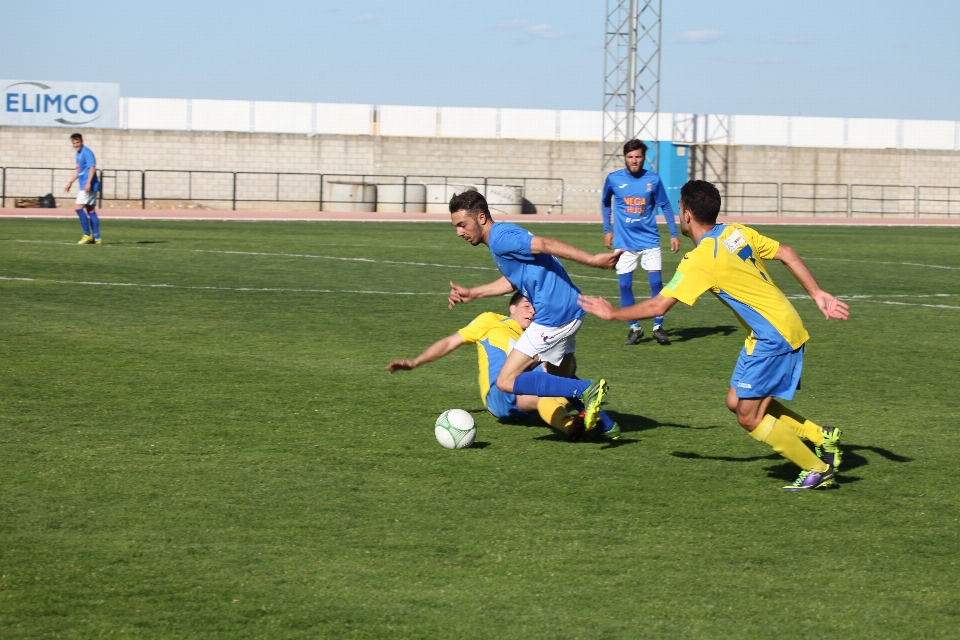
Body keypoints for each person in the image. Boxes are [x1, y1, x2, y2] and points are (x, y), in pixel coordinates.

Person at [579, 180, 850, 491]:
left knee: (749, 418)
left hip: (773, 337)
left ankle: (817, 469)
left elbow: (659, 304)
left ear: (688, 215)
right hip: (769, 331)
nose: (680, 216)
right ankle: (820, 436)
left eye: (680, 210)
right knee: (736, 401)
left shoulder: (701, 259)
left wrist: (613, 313)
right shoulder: (735, 231)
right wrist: (816, 293)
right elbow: (786, 252)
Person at [447, 190, 620, 434]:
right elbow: (513, 280)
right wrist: (474, 293)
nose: (459, 232)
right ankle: (608, 426)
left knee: (506, 381)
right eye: (456, 226)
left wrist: (594, 261)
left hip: (553, 314)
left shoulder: (500, 239)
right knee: (561, 380)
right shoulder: (501, 236)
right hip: (571, 308)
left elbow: (545, 244)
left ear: (482, 218)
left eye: (463, 225)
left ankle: (587, 390)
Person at [387, 292, 620, 440]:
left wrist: (564, 343)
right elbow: (451, 341)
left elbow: (567, 370)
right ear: (512, 308)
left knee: (554, 371)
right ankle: (580, 422)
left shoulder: (539, 334)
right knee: (547, 377)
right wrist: (416, 361)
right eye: (527, 305)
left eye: (535, 308)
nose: (532, 311)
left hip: (527, 393)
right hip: (498, 393)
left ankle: (582, 426)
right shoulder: (491, 321)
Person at [602, 139, 680, 346]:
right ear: (625, 158)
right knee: (625, 285)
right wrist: (607, 230)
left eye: (638, 157)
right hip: (624, 243)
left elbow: (665, 205)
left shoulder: (653, 180)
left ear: (644, 158)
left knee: (656, 283)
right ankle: (635, 328)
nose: (634, 161)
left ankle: (657, 326)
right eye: (630, 157)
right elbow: (605, 203)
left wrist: (674, 233)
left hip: (650, 241)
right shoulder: (613, 179)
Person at [64, 133, 102, 245]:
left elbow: (92, 168)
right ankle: (97, 238)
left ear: (82, 141)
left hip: (88, 185)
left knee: (78, 208)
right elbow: (77, 170)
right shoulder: (78, 154)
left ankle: (87, 234)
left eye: (77, 142)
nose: (76, 145)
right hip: (86, 185)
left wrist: (88, 183)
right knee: (91, 210)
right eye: (74, 143)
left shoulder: (86, 152)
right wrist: (70, 182)